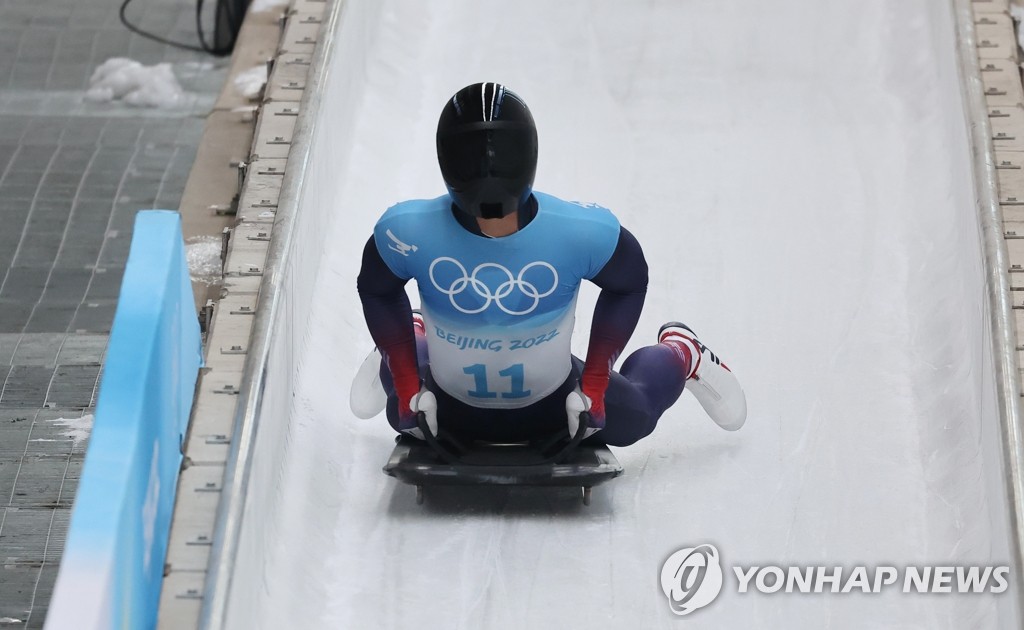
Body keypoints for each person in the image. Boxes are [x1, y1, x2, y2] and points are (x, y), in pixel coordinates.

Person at [355, 82, 746, 446]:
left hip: (551, 395)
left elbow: (629, 282)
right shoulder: (406, 233)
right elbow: (376, 288)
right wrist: (407, 384)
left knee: (635, 417)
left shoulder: (580, 232)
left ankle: (683, 351)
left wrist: (593, 382)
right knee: (400, 411)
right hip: (449, 394)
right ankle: (412, 336)